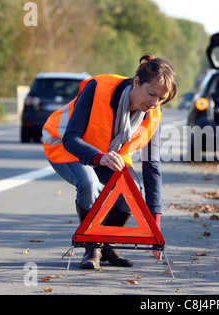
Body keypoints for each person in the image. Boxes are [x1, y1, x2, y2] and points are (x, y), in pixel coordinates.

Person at [42, 54, 177, 269]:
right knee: (89, 183)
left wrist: (155, 222)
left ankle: (105, 244)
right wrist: (99, 157)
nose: (154, 104)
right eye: (151, 94)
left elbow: (152, 165)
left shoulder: (154, 114)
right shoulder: (97, 88)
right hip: (65, 145)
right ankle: (92, 248)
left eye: (161, 99)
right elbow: (71, 138)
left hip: (109, 154)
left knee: (132, 191)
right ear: (136, 82)